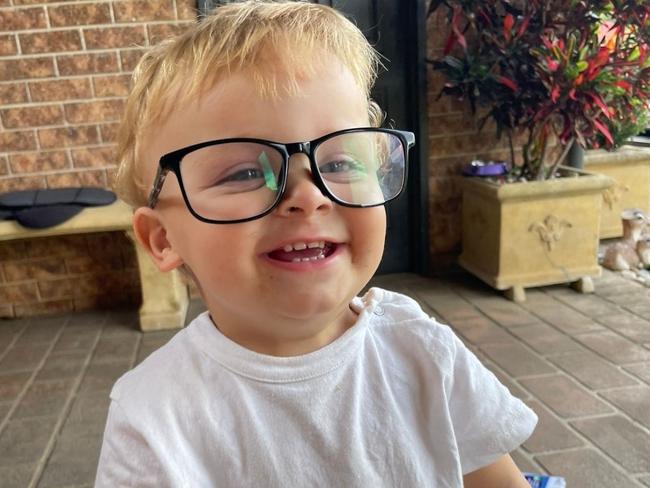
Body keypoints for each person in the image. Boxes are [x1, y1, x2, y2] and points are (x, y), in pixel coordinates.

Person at [95, 1, 537, 486]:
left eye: (342, 163)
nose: (307, 196)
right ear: (162, 239)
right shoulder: (154, 418)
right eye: (244, 172)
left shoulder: (422, 350)